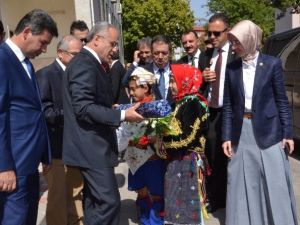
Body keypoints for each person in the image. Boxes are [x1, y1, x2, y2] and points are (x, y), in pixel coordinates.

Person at [62, 21, 143, 225]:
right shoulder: (84, 63)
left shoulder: (90, 63)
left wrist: (113, 111)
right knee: (109, 203)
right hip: (91, 148)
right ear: (97, 40)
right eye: (113, 44)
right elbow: (83, 107)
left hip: (93, 146)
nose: (115, 49)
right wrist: (122, 116)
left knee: (95, 202)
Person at [222, 20, 298, 225]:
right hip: (241, 133)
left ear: (249, 39)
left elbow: (282, 101)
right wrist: (226, 136)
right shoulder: (231, 68)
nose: (233, 46)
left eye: (236, 42)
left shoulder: (272, 64)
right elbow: (228, 105)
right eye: (231, 42)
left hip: (269, 132)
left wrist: (288, 133)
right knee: (241, 184)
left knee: (275, 184)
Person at [0, 9, 58, 225]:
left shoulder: (25, 64)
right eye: (42, 43)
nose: (43, 50)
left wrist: (45, 154)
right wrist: (3, 166)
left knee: (27, 218)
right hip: (13, 165)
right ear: (26, 32)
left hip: (29, 164)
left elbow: (35, 111)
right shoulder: (2, 59)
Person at [36, 35, 82, 225]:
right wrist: (73, 113)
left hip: (76, 147)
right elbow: (45, 112)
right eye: (75, 55)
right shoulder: (45, 74)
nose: (79, 60)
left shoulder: (77, 74)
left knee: (76, 193)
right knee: (58, 198)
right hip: (56, 149)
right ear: (61, 53)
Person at [117, 67, 165, 225]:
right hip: (135, 159)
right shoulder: (131, 109)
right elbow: (123, 133)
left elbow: (167, 134)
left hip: (153, 160)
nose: (130, 94)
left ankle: (156, 220)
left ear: (145, 87)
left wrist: (154, 138)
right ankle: (145, 219)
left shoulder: (160, 108)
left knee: (156, 194)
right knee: (142, 191)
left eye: (133, 89)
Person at [162, 64, 209, 225]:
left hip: (188, 161)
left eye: (173, 81)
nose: (170, 86)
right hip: (177, 160)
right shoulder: (180, 102)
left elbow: (187, 138)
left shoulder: (193, 103)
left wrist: (164, 141)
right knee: (175, 200)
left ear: (185, 81)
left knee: (188, 204)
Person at [202, 13, 238, 212]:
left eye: (217, 33)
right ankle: (217, 199)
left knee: (234, 158)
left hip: (232, 112)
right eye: (210, 34)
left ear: (227, 31)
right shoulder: (208, 55)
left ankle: (234, 197)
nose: (212, 37)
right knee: (214, 157)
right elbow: (200, 85)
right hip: (214, 112)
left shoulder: (236, 52)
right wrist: (204, 77)